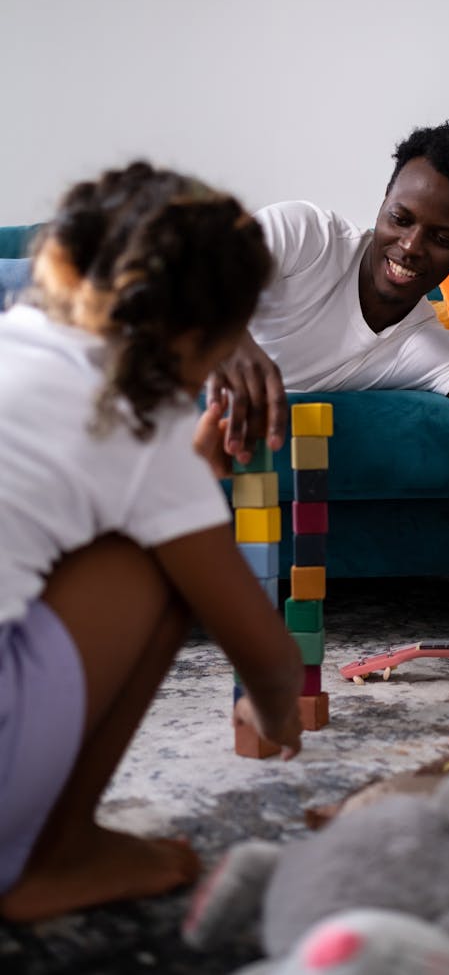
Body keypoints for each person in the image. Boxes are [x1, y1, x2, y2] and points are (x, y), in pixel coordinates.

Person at [0, 162, 304, 923]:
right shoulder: (141, 425)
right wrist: (279, 713)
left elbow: (100, 489)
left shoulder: (19, 340)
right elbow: (262, 646)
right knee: (173, 569)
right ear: (198, 338)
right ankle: (50, 855)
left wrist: (185, 473)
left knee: (142, 535)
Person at [208, 121, 449, 461]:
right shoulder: (306, 235)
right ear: (384, 200)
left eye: (442, 237)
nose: (411, 246)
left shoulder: (425, 349)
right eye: (400, 218)